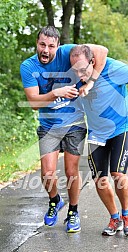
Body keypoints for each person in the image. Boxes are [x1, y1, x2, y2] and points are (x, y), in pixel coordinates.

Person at [20, 26, 108, 233]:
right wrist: (55, 92)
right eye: (42, 45)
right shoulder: (28, 66)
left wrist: (90, 82)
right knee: (47, 173)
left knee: (71, 171)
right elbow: (33, 102)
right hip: (49, 125)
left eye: (51, 46)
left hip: (74, 123)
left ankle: (73, 211)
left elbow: (102, 51)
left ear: (58, 46)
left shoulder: (68, 51)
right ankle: (55, 201)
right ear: (37, 43)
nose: (46, 50)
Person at [70, 45, 128, 236]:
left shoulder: (114, 68)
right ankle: (114, 218)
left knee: (117, 173)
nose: (80, 75)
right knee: (100, 179)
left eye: (83, 70)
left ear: (93, 62)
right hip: (97, 133)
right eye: (76, 71)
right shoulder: (75, 78)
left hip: (121, 126)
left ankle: (127, 215)